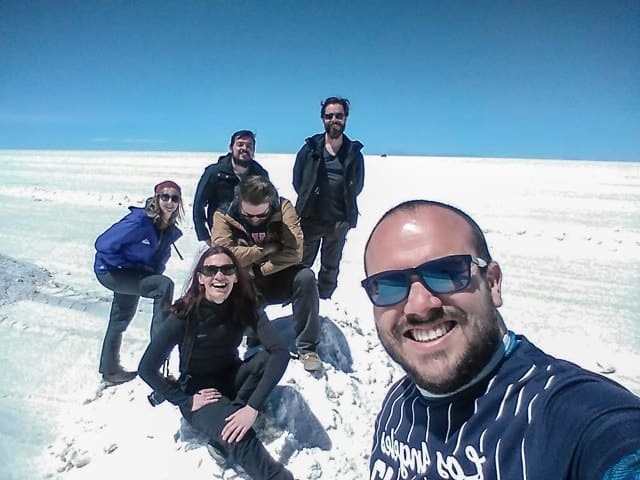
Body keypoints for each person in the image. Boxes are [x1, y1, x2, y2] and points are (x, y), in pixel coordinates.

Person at [363, 200, 640, 479]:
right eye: (388, 285)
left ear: (493, 283)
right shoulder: (399, 403)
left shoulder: (564, 415)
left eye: (446, 273)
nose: (420, 305)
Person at [138, 245, 293, 480]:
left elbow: (280, 352)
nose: (219, 276)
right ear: (201, 278)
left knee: (263, 360)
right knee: (237, 436)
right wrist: (185, 400)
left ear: (235, 277)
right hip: (200, 392)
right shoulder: (184, 314)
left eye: (227, 269)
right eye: (211, 270)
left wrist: (250, 408)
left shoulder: (244, 307)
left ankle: (232, 414)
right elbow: (146, 368)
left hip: (232, 378)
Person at [211, 175, 323, 372]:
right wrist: (263, 251)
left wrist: (257, 267)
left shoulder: (283, 207)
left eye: (261, 216)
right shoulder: (224, 214)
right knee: (228, 281)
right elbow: (224, 253)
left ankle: (307, 348)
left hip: (278, 274)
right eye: (249, 215)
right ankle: (248, 335)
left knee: (306, 278)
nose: (255, 220)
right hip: (247, 281)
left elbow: (295, 252)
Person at [94, 180, 183, 386]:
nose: (169, 202)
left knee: (121, 318)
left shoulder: (166, 228)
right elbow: (102, 244)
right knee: (164, 286)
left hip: (131, 273)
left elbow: (157, 259)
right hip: (111, 272)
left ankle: (110, 369)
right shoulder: (140, 221)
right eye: (165, 196)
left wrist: (145, 271)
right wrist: (125, 267)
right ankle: (157, 364)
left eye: (174, 198)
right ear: (156, 198)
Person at [293, 96, 365, 299]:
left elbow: (357, 184)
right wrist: (308, 199)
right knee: (302, 263)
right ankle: (299, 297)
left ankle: (324, 298)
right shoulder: (310, 149)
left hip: (338, 221)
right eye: (329, 116)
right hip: (310, 219)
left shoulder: (353, 153)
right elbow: (298, 180)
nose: (334, 120)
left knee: (331, 266)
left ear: (346, 118)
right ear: (322, 119)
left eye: (339, 116)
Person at [193, 130, 269, 244]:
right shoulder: (215, 173)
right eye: (240, 144)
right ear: (231, 148)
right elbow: (198, 205)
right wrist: (205, 237)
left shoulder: (260, 174)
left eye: (249, 146)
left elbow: (269, 206)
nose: (244, 148)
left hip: (250, 237)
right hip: (221, 235)